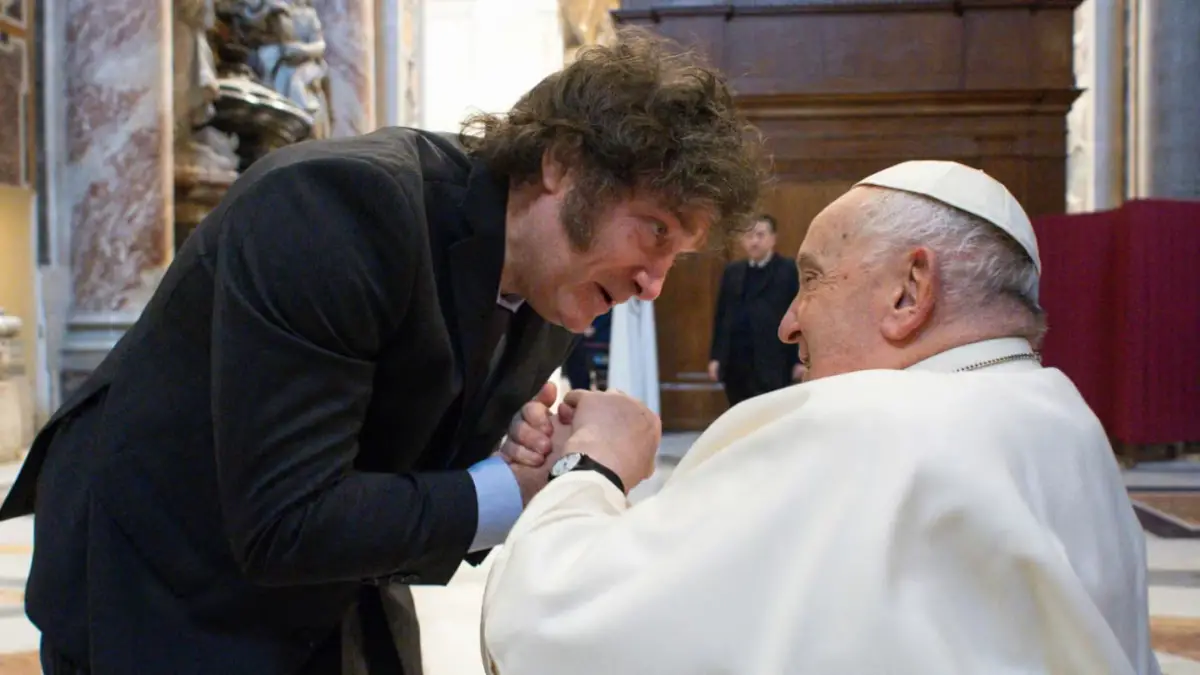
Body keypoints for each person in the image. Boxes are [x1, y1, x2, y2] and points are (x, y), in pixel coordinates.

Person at [1, 29, 765, 675]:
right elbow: (286, 520)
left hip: (326, 577)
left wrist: (512, 456)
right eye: (654, 231)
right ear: (560, 164)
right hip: (161, 574)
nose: (655, 285)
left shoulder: (556, 284)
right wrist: (517, 485)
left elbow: (413, 465)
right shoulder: (336, 211)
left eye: (680, 254)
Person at [482, 160, 1161, 675]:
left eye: (811, 279)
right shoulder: (1064, 418)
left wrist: (592, 465)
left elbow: (549, 627)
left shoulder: (865, 426)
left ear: (908, 290)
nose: (788, 322)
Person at [708, 213, 803, 405]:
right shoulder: (733, 271)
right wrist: (716, 357)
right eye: (749, 236)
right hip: (737, 361)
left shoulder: (788, 270)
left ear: (773, 238)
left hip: (774, 360)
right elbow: (722, 316)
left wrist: (799, 359)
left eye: (760, 235)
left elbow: (799, 315)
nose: (754, 241)